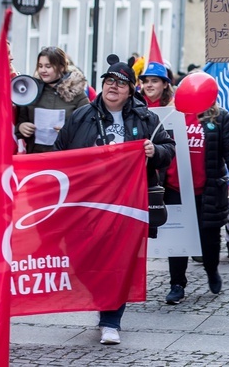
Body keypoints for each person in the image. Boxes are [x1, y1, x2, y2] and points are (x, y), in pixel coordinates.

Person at [54, 55, 175, 346]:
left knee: (118, 261)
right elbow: (60, 153)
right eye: (109, 81)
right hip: (87, 204)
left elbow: (168, 149)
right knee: (82, 260)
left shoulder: (147, 117)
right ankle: (101, 298)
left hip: (127, 205)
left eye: (120, 84)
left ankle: (111, 320)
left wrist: (153, 151)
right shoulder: (81, 116)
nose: (113, 87)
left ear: (130, 90)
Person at [163, 97, 229, 305]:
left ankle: (211, 268)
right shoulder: (172, 115)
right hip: (175, 188)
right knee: (177, 240)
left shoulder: (220, 117)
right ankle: (177, 284)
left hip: (207, 189)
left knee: (209, 239)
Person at [16, 46, 90, 153]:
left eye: (48, 66)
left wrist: (68, 132)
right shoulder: (31, 90)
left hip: (64, 158)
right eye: (40, 66)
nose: (43, 70)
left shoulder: (77, 93)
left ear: (61, 67)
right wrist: (21, 127)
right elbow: (20, 121)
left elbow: (87, 126)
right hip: (35, 156)